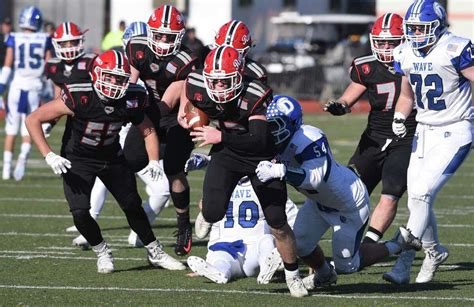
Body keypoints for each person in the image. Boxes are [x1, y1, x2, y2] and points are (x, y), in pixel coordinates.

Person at [25, 49, 185, 273]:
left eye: (118, 79)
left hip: (111, 156)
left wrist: (154, 161)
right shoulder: (80, 95)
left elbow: (148, 131)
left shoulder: (132, 97)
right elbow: (33, 119)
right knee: (80, 213)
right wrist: (49, 154)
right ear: (96, 75)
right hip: (77, 159)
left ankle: (155, 251)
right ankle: (102, 251)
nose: (112, 84)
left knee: (132, 206)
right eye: (108, 77)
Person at [179, 46, 308, 297]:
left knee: (278, 223)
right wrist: (188, 115)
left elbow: (258, 141)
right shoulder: (196, 84)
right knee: (213, 211)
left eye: (224, 82)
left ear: (238, 77)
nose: (218, 88)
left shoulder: (254, 93)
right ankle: (209, 212)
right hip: (227, 154)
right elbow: (191, 102)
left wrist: (220, 136)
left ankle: (293, 275)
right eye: (213, 82)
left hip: (259, 156)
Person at [256, 95, 410, 290]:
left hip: (348, 204)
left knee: (348, 265)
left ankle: (397, 244)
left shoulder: (309, 138)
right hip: (318, 203)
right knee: (301, 246)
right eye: (269, 125)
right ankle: (324, 274)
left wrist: (282, 171)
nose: (271, 131)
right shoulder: (273, 142)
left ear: (293, 123)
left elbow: (314, 179)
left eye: (276, 125)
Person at [384, 0, 473, 285]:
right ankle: (434, 252)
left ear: (437, 26)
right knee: (416, 199)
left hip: (456, 128)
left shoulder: (455, 47)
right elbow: (407, 95)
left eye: (422, 28)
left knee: (422, 194)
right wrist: (400, 116)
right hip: (424, 131)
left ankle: (404, 262)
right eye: (412, 28)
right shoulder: (406, 51)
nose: (417, 34)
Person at [69, 21, 172, 249]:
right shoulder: (120, 72)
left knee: (108, 181)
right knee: (157, 186)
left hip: (128, 134)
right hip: (124, 136)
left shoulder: (139, 74)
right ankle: (129, 233)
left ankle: (119, 231)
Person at [324, 13, 416, 244]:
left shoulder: (416, 62)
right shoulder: (366, 66)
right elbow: (348, 99)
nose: (385, 47)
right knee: (348, 190)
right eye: (381, 42)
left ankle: (368, 246)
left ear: (403, 40)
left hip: (407, 136)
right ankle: (343, 240)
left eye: (391, 42)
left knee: (391, 192)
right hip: (373, 138)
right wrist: (340, 106)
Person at [124, 5, 199, 256]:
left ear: (179, 36)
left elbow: (170, 103)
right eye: (160, 35)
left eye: (169, 36)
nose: (164, 41)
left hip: (176, 113)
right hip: (151, 108)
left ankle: (183, 224)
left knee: (174, 169)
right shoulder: (137, 47)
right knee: (130, 158)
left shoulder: (185, 59)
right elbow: (131, 83)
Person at [186, 169, 299, 285]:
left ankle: (267, 267)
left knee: (267, 241)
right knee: (221, 257)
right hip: (230, 248)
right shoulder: (222, 185)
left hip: (248, 248)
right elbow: (295, 220)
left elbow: (293, 218)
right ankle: (218, 271)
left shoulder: (265, 185)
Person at [0, 6, 52, 181]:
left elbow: (7, 65)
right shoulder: (45, 39)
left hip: (16, 87)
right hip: (34, 88)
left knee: (11, 129)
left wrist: (0, 88)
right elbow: (48, 65)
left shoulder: (14, 37)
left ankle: (6, 169)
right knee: (29, 127)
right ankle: (22, 157)